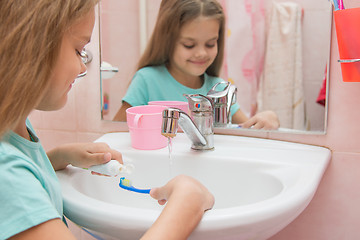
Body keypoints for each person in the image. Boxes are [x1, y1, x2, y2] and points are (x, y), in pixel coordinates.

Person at [0, 1, 214, 240]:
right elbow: (13, 183)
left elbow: (24, 177)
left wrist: (57, 157)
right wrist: (187, 203)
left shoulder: (14, 129)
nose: (83, 66)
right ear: (30, 47)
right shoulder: (5, 173)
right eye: (78, 50)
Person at [113, 0, 280, 130]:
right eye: (189, 45)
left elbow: (247, 130)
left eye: (210, 44)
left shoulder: (218, 89)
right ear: (168, 41)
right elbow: (115, 133)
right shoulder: (147, 80)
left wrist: (268, 118)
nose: (201, 53)